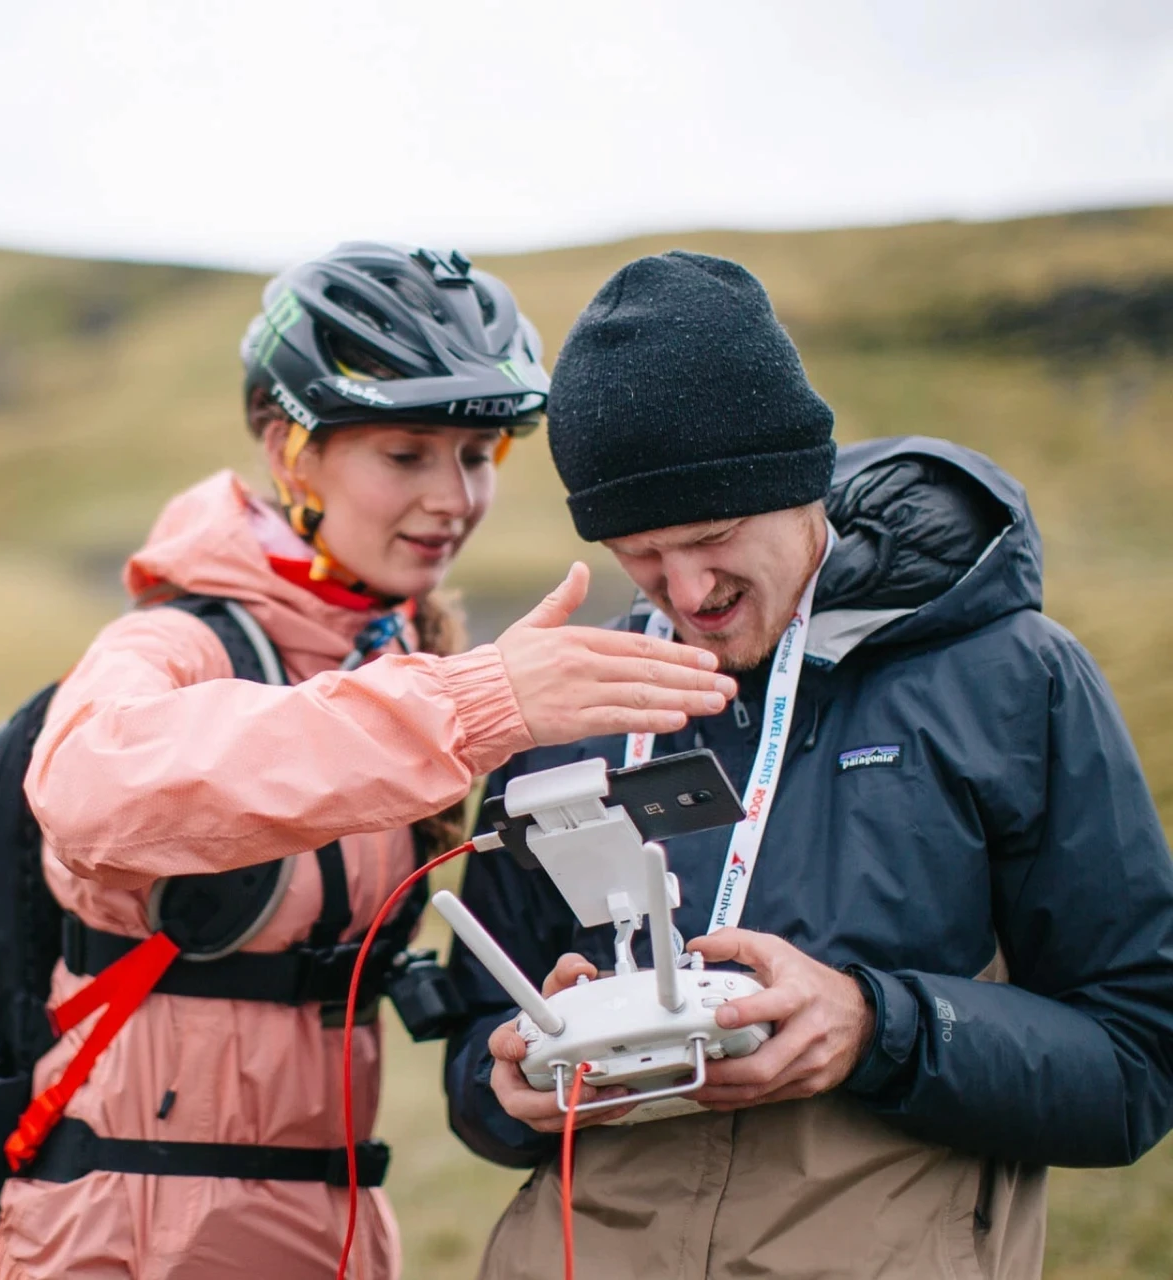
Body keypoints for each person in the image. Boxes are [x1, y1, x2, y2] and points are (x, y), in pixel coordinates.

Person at [0, 243, 736, 1279]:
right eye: (405, 454)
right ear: (289, 449)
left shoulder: (399, 647)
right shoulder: (178, 640)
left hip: (329, 1226)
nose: (452, 498)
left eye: (478, 457)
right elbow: (87, 787)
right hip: (130, 1234)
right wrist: (475, 701)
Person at [442, 249, 1173, 1280]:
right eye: (640, 554)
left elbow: (1137, 1057)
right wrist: (509, 1078)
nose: (687, 590)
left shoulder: (1013, 677)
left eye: (715, 534)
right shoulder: (575, 704)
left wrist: (878, 1024)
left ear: (800, 485)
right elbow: (476, 1060)